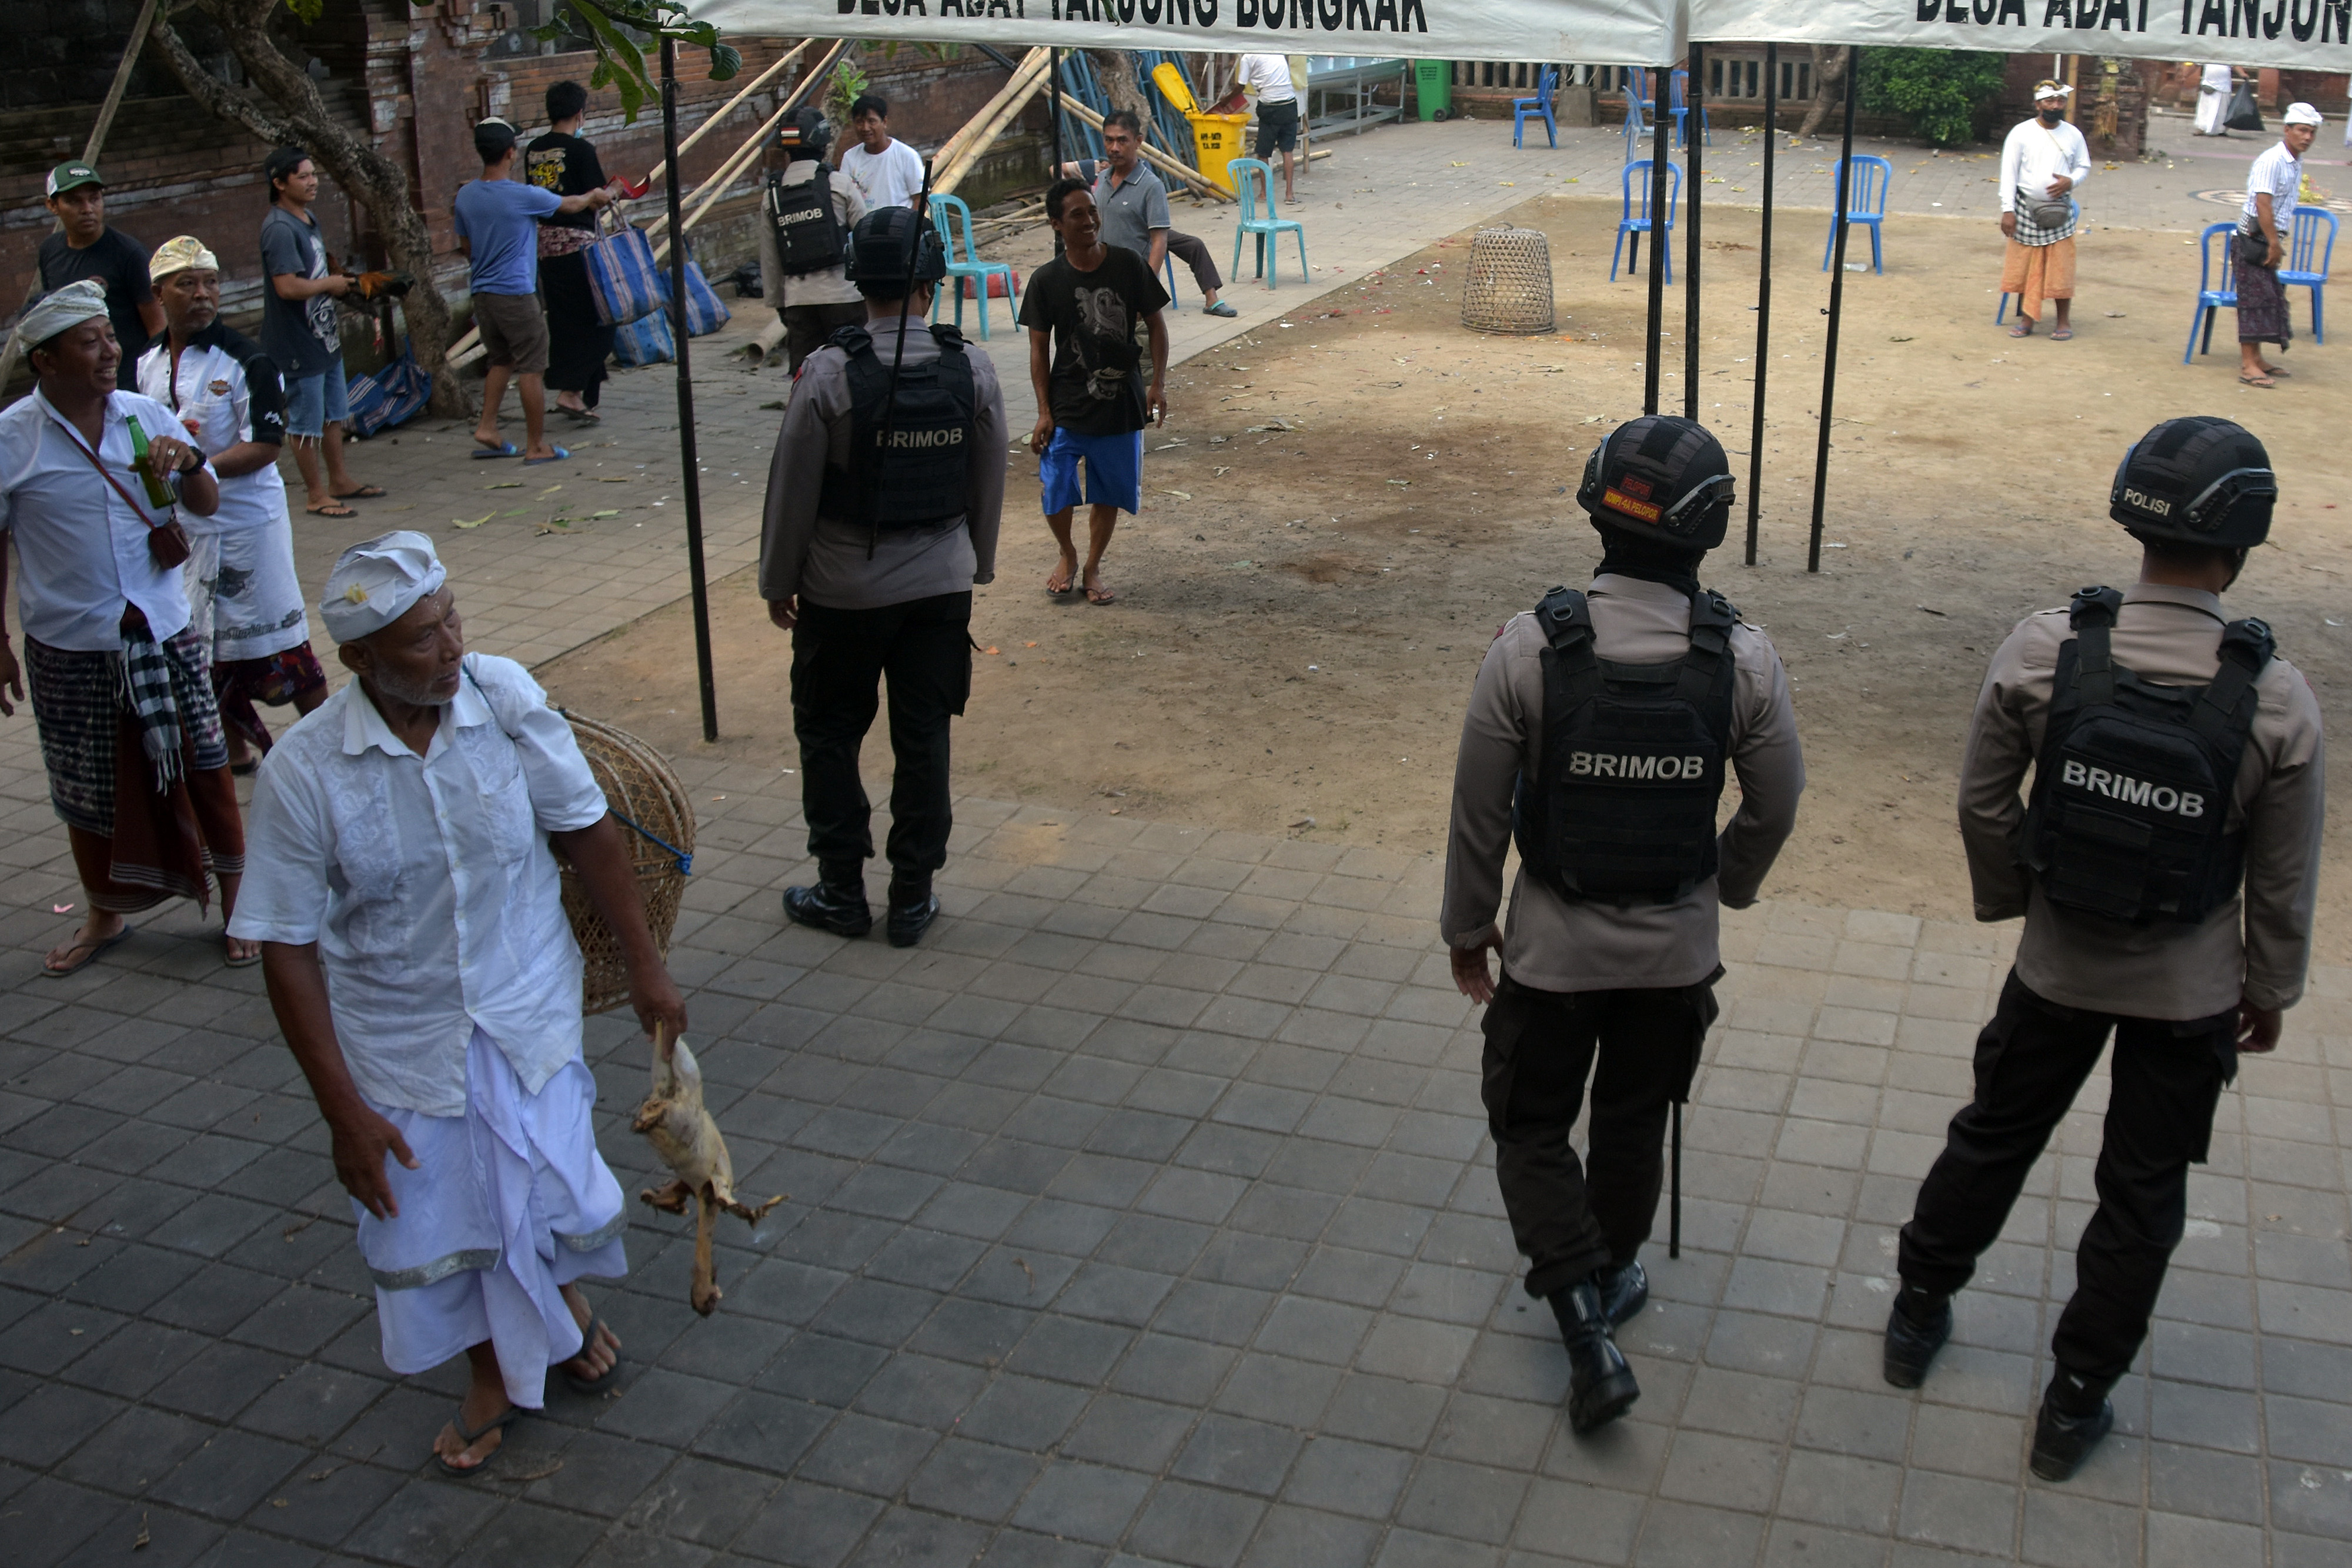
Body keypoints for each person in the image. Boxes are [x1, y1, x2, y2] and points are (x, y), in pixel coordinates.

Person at [1886, 417, 2323, 1483]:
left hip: (2054, 968)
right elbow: (2281, 875)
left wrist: (2017, 904)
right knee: (2142, 1191)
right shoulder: (2275, 698)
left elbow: (1985, 802)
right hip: (2190, 992)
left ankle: (1916, 1313)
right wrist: (2269, 988)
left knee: (1992, 1134)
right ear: (2245, 538)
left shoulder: (2047, 648)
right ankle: (2074, 1404)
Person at [228, 530, 689, 1476]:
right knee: (445, 1217)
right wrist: (342, 1112)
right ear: (357, 660)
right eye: (420, 640)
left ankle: (558, 1307)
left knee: (545, 1187)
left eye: (452, 623)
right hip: (403, 1043)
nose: (450, 651)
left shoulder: (503, 695)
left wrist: (647, 968)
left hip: (528, 1010)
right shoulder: (305, 773)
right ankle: (492, 1370)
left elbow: (587, 830)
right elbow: (286, 946)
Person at [1444, 416, 1803, 1435]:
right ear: (1712, 529)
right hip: (1674, 957)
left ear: (1594, 504)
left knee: (1528, 1122)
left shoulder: (1530, 648)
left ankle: (1577, 1320)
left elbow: (1478, 811)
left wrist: (1470, 929)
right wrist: (1718, 886)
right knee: (1636, 1119)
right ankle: (1609, 1279)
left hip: (1552, 954)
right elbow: (1775, 805)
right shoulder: (1742, 659)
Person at [760, 206, 1007, 948]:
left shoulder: (827, 373)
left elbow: (791, 489)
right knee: (924, 737)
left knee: (830, 735)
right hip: (939, 589)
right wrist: (979, 564)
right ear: (931, 282)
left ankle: (841, 890)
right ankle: (911, 896)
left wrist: (779, 581)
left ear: (855, 281)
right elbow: (987, 483)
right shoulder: (973, 366)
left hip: (842, 593)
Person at [0, 279, 249, 977]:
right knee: (84, 785)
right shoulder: (12, 438)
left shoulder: (145, 416)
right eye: (90, 342)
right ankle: (104, 913)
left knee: (205, 766)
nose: (111, 351)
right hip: (67, 641)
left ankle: (238, 904)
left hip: (164, 628)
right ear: (45, 362)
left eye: (110, 337)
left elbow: (203, 503)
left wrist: (193, 461)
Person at [135, 236, 327, 774]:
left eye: (210, 282)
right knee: (203, 647)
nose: (202, 295)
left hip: (248, 529)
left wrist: (197, 466)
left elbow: (266, 446)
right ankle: (234, 750)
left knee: (282, 647)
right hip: (189, 533)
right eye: (187, 284)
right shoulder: (146, 364)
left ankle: (332, 746)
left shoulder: (250, 361)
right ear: (159, 293)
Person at [1017, 178, 1170, 607]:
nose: (1089, 221)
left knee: (1108, 491)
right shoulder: (1046, 281)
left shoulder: (1128, 265)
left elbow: (1156, 325)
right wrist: (1044, 411)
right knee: (1056, 485)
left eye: (1092, 211)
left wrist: (1156, 383)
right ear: (1056, 226)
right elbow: (1037, 350)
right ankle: (1067, 553)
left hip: (1121, 402)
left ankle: (1093, 565)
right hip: (1067, 403)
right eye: (1077, 215)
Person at [455, 118, 612, 464]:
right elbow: (570, 205)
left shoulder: (465, 196)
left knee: (501, 359)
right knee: (531, 366)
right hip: (516, 294)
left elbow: (466, 247)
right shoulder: (523, 196)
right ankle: (536, 445)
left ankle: (488, 427)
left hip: (482, 293)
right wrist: (596, 196)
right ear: (511, 153)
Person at [259, 146, 379, 519]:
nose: (313, 182)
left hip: (322, 336)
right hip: (296, 340)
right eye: (303, 176)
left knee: (334, 413)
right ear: (279, 183)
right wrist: (330, 283)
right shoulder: (279, 229)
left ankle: (339, 480)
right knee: (306, 421)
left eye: (314, 175)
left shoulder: (307, 218)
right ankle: (315, 493)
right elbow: (288, 287)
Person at [1058, 111, 1238, 319]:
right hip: (1100, 282)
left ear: (1138, 142)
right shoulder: (1103, 179)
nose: (1114, 148)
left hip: (1133, 280)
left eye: (1122, 141)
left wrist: (1147, 287)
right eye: (1109, 140)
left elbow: (1159, 241)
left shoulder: (1151, 186)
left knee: (1193, 245)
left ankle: (1212, 298)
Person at [528, 81, 616, 424]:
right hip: (580, 248)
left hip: (545, 250)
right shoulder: (582, 151)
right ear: (580, 113)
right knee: (603, 320)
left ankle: (582, 398)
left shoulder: (533, 150)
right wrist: (617, 190)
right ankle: (570, 389)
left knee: (565, 323)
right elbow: (597, 198)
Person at [761, 106, 869, 372]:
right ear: (823, 143)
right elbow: (867, 237)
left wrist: (780, 304)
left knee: (807, 377)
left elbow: (770, 258)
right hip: (845, 298)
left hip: (799, 302)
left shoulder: (772, 196)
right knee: (857, 372)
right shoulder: (839, 184)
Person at [34, 162, 162, 365]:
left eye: (94, 199)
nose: (87, 209)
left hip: (127, 378)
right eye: (74, 202)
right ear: (52, 205)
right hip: (78, 380)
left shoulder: (129, 254)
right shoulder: (50, 251)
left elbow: (158, 329)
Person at [2235, 103, 2323, 390]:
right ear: (2287, 130)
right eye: (2302, 130)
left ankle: (2258, 358)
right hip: (2253, 239)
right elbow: (2263, 204)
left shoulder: (2294, 161)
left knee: (2269, 300)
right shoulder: (2272, 160)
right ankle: (2248, 365)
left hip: (2269, 240)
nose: (2307, 137)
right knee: (2252, 301)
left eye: (2312, 132)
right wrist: (2274, 243)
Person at [1999, 81, 2091, 342]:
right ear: (2038, 104)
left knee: (2062, 267)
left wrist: (2070, 181)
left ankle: (2063, 321)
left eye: (2060, 101)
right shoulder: (2020, 133)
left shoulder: (2073, 134)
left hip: (2060, 210)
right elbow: (2009, 174)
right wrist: (2008, 210)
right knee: (2029, 268)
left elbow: (2084, 166)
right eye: (2050, 101)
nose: (2055, 106)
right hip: (2026, 209)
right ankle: (2028, 319)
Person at [838, 93, 924, 213]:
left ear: (884, 122)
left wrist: (910, 226)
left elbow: (920, 197)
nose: (865, 128)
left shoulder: (907, 155)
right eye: (860, 122)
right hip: (862, 228)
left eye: (871, 121)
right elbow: (843, 198)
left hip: (899, 226)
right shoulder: (850, 157)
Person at [1239, 52, 1301, 204]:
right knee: (1288, 151)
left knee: (1263, 153)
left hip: (1269, 107)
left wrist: (1227, 100)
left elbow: (1240, 85)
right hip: (1289, 103)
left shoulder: (1247, 57)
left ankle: (1264, 194)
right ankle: (1289, 194)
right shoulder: (1275, 50)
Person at [2191, 62, 2239, 137]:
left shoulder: (2229, 54)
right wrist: (2185, 75)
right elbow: (2196, 64)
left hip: (2224, 86)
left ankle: (2221, 130)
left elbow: (2236, 65)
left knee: (2222, 110)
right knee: (2205, 109)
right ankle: (2202, 128)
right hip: (2209, 85)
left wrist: (2243, 74)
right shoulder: (2207, 53)